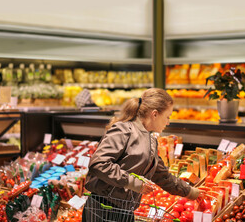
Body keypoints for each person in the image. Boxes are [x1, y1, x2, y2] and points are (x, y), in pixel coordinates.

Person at [82, 88, 200, 222]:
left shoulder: (150, 140)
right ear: (154, 114)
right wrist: (133, 183)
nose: (168, 122)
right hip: (102, 210)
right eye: (167, 116)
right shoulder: (123, 130)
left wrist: (191, 192)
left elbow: (161, 175)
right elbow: (99, 164)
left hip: (125, 212)